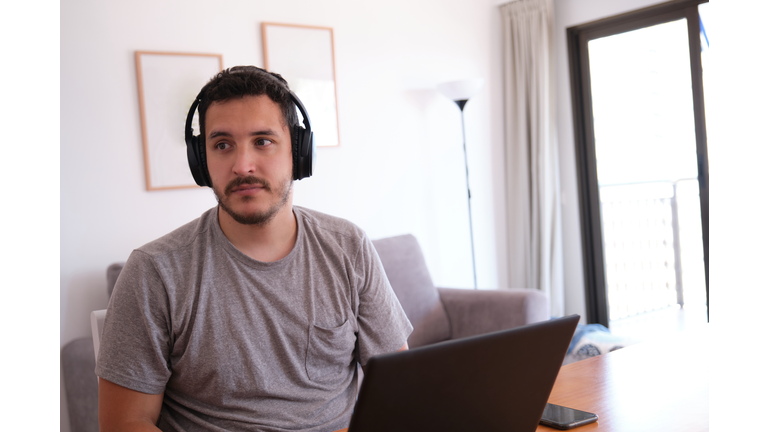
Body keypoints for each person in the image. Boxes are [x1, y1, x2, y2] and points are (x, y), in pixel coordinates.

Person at [95, 66, 413, 432]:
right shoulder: (155, 271)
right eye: (222, 145)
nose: (242, 165)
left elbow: (399, 389)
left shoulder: (349, 248)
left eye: (262, 141)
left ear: (298, 152)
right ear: (202, 162)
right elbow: (125, 422)